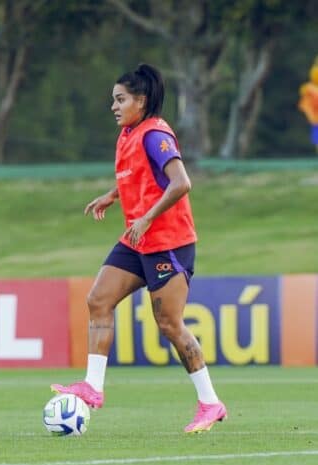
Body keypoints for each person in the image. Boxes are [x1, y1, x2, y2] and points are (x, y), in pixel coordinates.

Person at [51, 63, 227, 433]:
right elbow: (143, 176)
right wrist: (113, 195)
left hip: (168, 243)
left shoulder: (156, 134)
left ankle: (210, 403)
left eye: (120, 99)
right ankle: (93, 388)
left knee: (170, 324)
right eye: (113, 100)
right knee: (98, 300)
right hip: (137, 239)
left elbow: (181, 182)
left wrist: (147, 217)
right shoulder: (128, 134)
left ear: (141, 101)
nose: (113, 106)